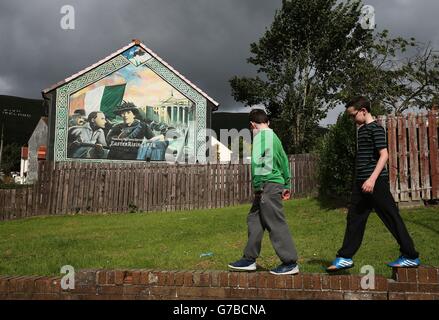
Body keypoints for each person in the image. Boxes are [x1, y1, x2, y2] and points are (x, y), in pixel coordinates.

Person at [327, 96, 420, 271]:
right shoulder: (361, 129)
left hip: (375, 183)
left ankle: (410, 256)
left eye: (352, 115)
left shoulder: (375, 129)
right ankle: (345, 257)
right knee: (354, 219)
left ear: (363, 111)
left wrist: (371, 179)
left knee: (391, 217)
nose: (351, 119)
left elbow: (384, 155)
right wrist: (360, 180)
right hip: (361, 183)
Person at [228, 109, 299, 275]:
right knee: (254, 219)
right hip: (274, 184)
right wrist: (287, 183)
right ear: (268, 122)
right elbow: (283, 160)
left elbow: (257, 164)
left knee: (275, 222)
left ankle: (290, 262)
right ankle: (249, 259)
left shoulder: (261, 137)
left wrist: (258, 186)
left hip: (267, 185)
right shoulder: (274, 137)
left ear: (252, 125)